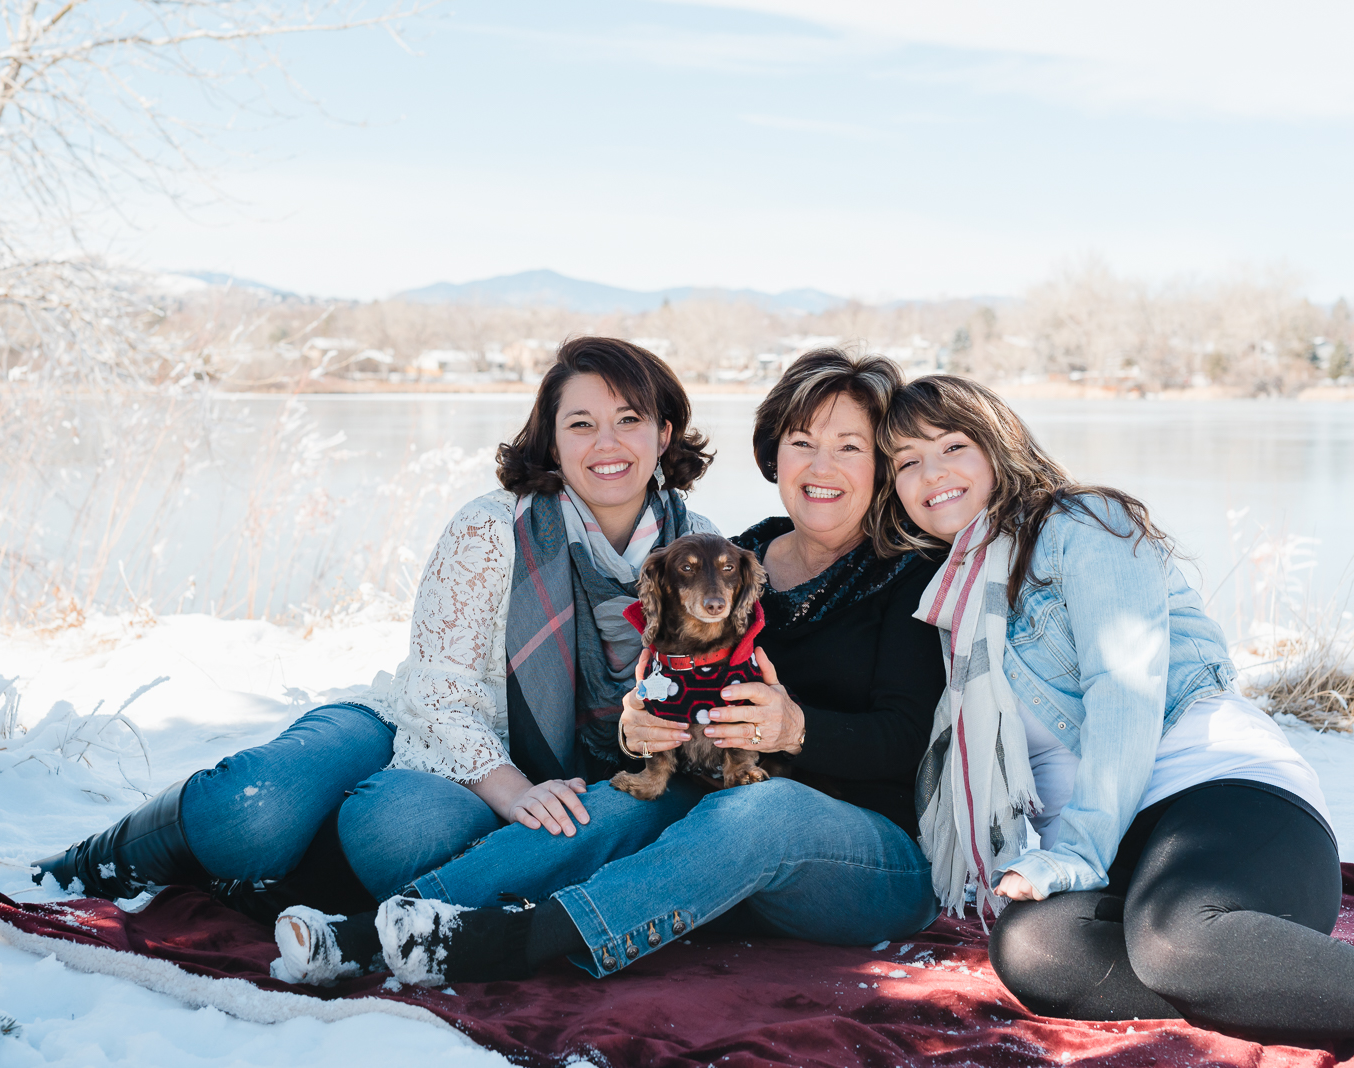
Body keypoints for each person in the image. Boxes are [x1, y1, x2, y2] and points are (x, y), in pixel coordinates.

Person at [275, 349, 947, 987]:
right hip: (722, 831)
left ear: (883, 465)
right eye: (802, 441)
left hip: (864, 861)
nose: (820, 465)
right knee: (624, 800)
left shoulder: (912, 575)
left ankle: (517, 941)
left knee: (765, 807)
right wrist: (639, 727)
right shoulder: (735, 559)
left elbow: (908, 741)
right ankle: (370, 934)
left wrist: (797, 728)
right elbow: (667, 679)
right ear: (775, 455)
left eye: (849, 447)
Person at [30, 337, 719, 921]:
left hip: (526, 781)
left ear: (662, 434)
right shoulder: (493, 528)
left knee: (395, 830)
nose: (607, 444)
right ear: (552, 438)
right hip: (411, 725)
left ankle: (289, 873)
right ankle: (103, 857)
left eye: (628, 419)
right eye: (581, 423)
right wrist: (515, 792)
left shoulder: (706, 551)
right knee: (250, 813)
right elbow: (436, 697)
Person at [879, 373, 1353, 1037]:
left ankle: (1220, 958)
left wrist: (1075, 850)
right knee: (1033, 951)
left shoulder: (1083, 524)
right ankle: (1252, 977)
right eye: (906, 461)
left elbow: (1122, 689)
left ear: (997, 444)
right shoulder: (955, 601)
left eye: (952, 445)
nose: (931, 473)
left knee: (1173, 938)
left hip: (1222, 799)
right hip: (1120, 852)